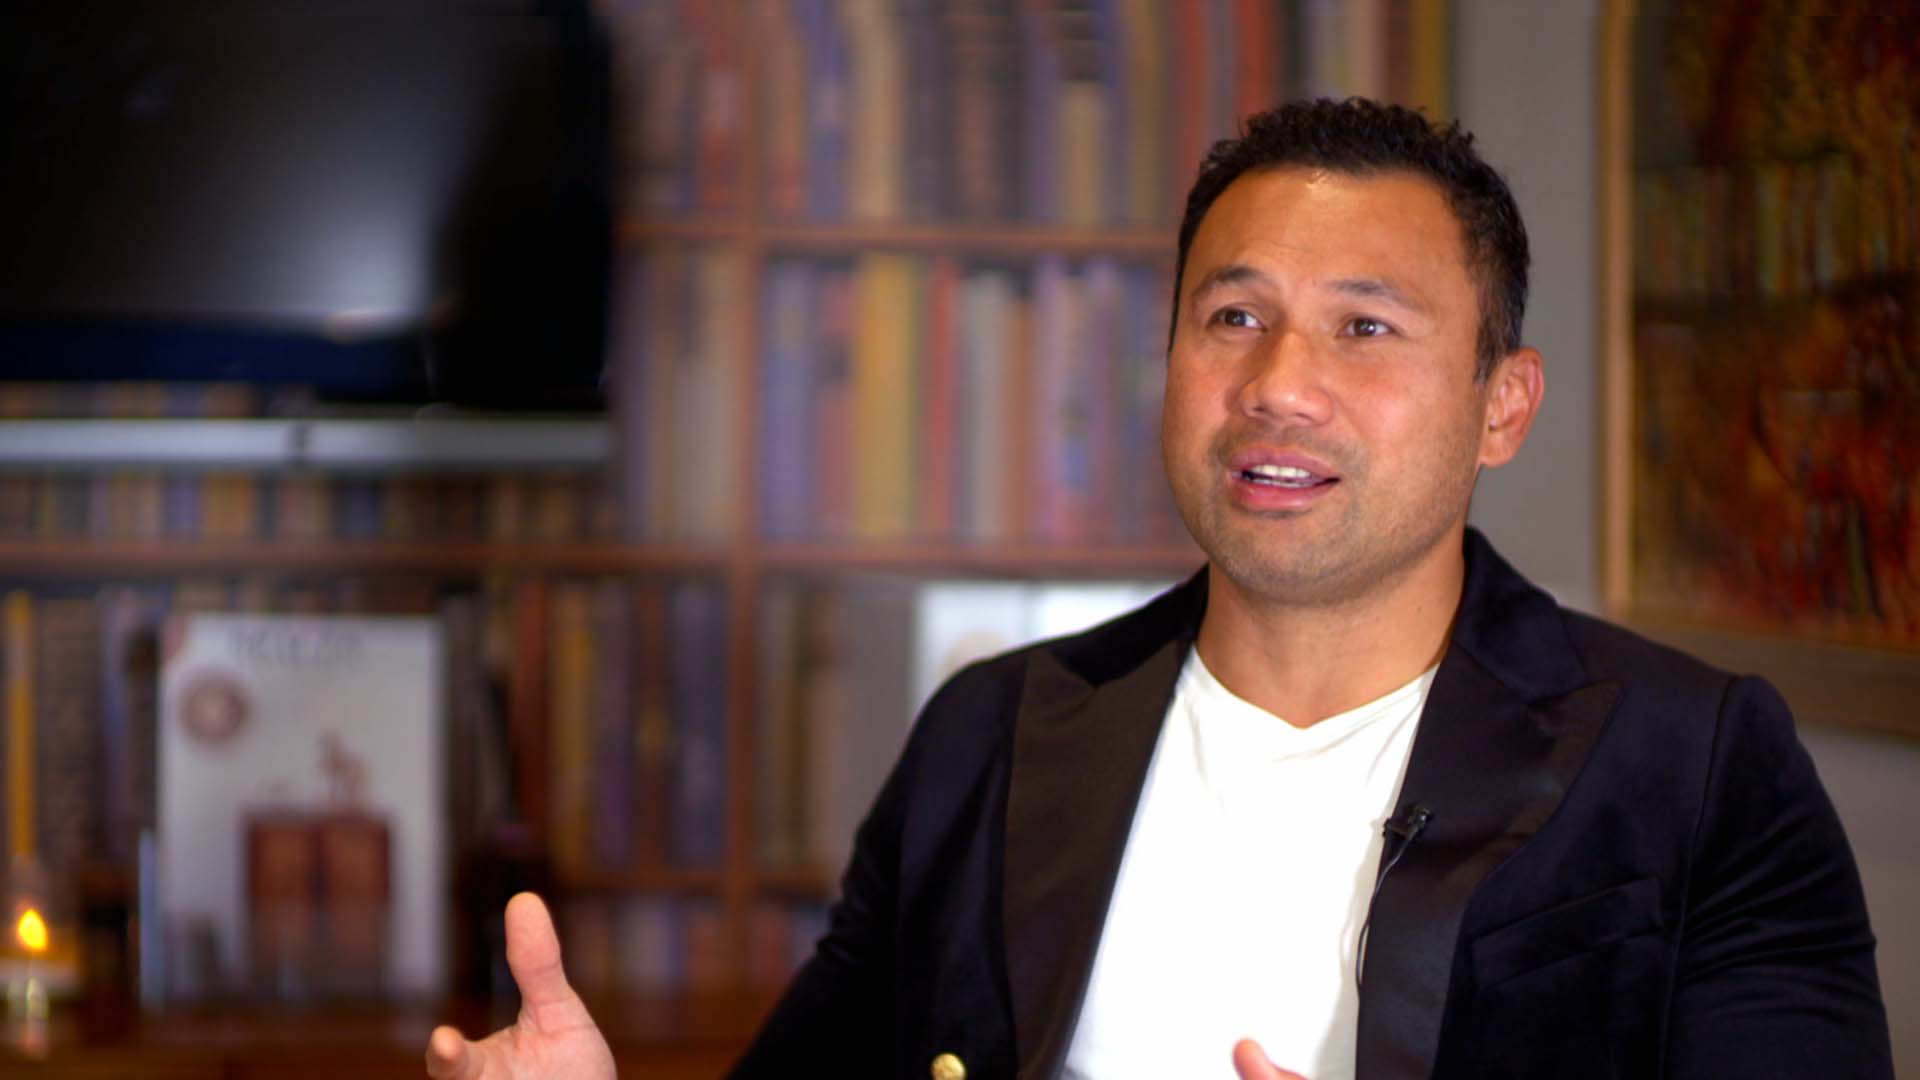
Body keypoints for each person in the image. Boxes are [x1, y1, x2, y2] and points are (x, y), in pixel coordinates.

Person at [425, 99, 1893, 1080]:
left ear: (1500, 406)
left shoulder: (1695, 766)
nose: (1279, 385)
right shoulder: (992, 737)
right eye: (1233, 315)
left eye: (1365, 328)